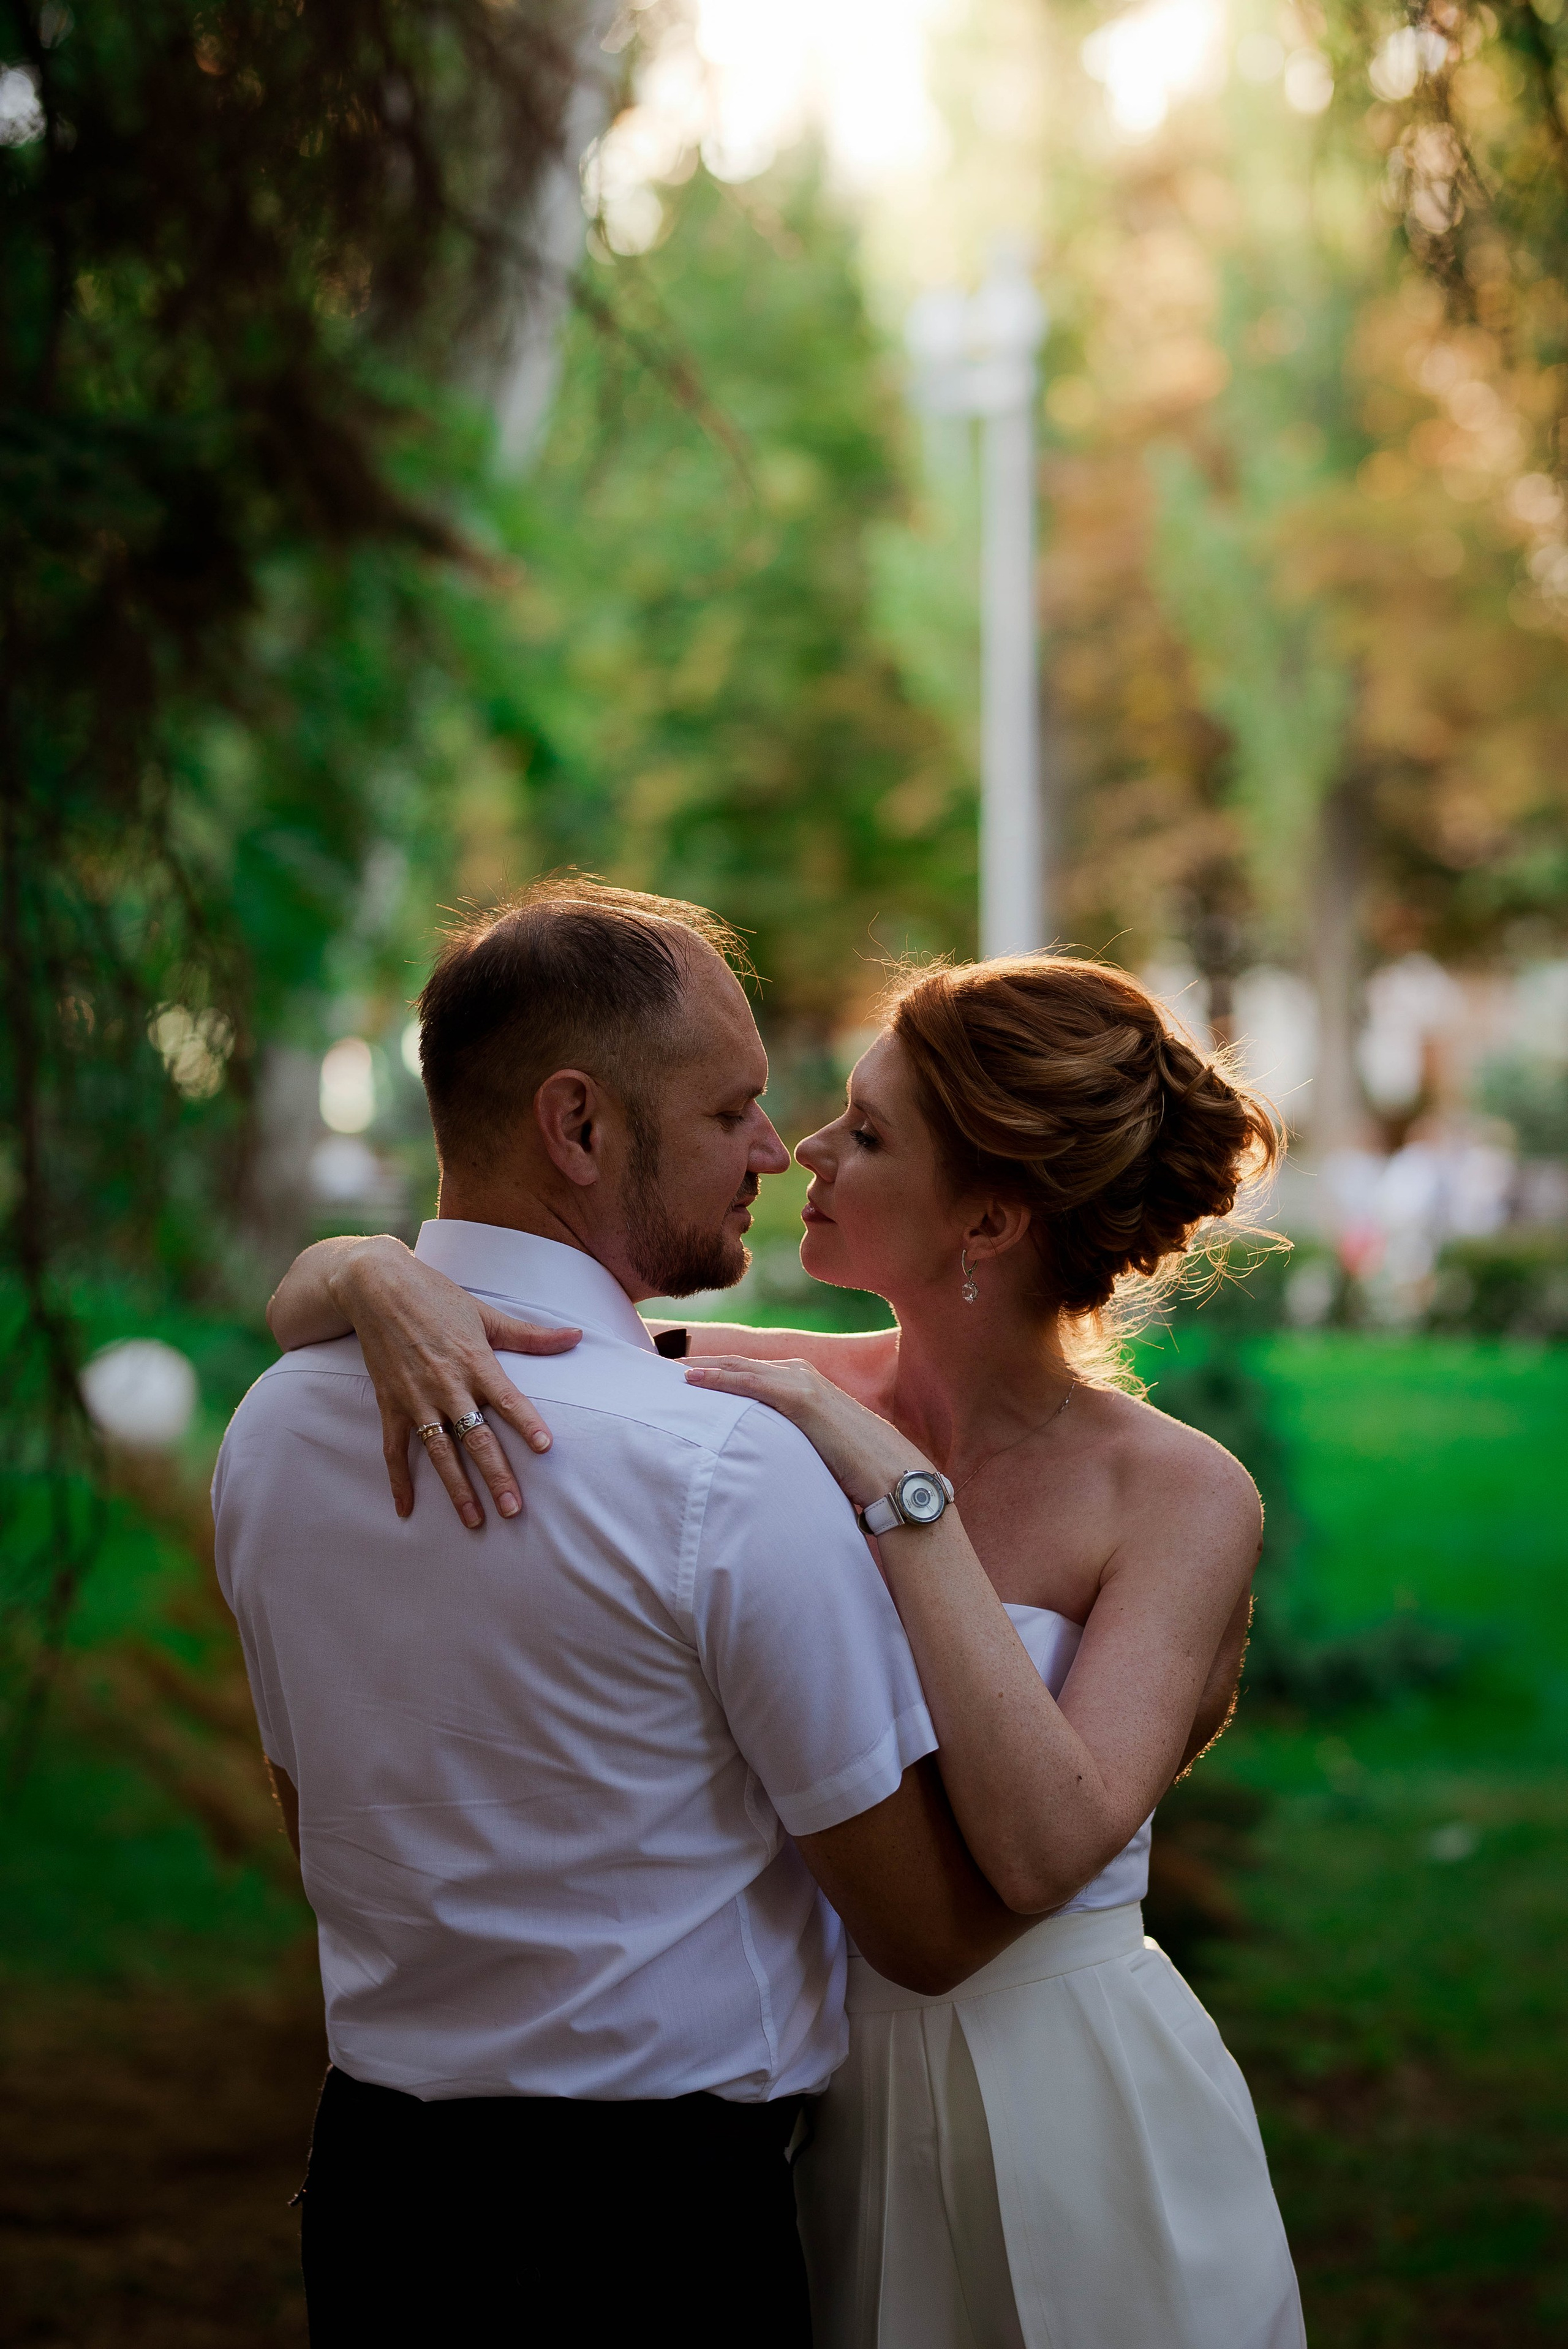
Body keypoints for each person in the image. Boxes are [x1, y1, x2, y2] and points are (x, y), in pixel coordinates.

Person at [273, 937, 1308, 2349]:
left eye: (866, 1133)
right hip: (805, 2097)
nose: (799, 1146)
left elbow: (1042, 1843)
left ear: (987, 1222)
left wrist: (897, 1492)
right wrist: (361, 1277)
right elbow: (494, 1337)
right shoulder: (746, 1389)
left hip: (1055, 2097)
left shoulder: (1175, 1493)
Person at [214, 880, 1031, 2349]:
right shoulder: (723, 1468)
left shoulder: (271, 1427)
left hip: (377, 2202)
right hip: (652, 2234)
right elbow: (918, 1925)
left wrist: (345, 1267)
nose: (776, 1154)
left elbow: (304, 1800)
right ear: (578, 1125)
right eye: (731, 1114)